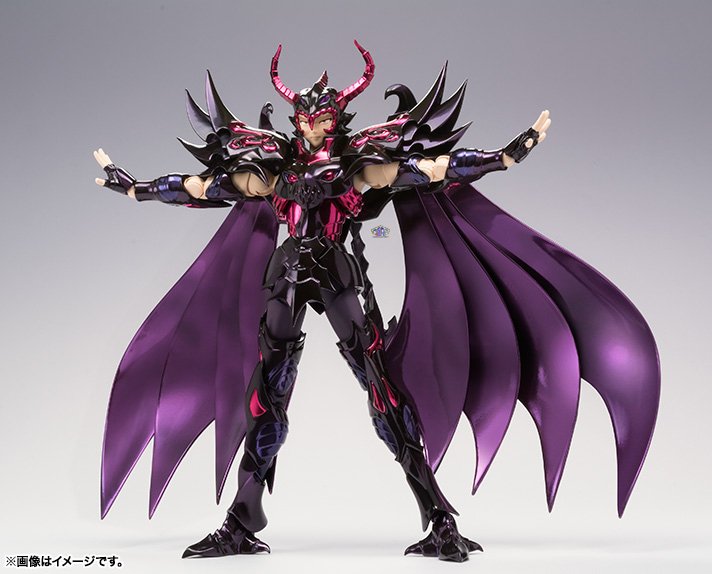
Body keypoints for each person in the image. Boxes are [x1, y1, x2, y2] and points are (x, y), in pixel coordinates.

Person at [95, 41, 658, 563]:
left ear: (336, 118)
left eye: (322, 116)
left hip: (336, 276)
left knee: (383, 391)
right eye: (305, 116)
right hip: (285, 276)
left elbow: (430, 171)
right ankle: (242, 520)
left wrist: (506, 156)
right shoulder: (277, 169)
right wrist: (134, 187)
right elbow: (201, 189)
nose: (312, 123)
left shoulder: (356, 166)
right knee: (265, 396)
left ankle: (439, 517)